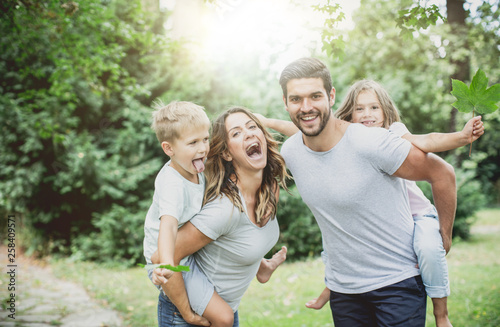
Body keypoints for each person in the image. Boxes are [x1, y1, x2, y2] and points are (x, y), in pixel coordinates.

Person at [257, 79, 484, 327]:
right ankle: (329, 289)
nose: (367, 115)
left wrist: (462, 137)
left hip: (419, 219)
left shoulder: (392, 134)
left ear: (386, 111)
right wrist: (265, 122)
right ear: (349, 114)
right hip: (349, 286)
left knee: (430, 251)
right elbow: (297, 129)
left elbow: (430, 143)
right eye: (360, 109)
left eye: (374, 108)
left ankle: (442, 315)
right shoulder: (343, 138)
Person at [151, 106, 290, 327]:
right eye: (236, 133)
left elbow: (312, 138)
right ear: (226, 153)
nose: (249, 133)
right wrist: (186, 312)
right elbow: (161, 256)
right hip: (188, 316)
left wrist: (260, 264)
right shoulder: (224, 209)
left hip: (226, 311)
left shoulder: (269, 188)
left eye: (253, 127)